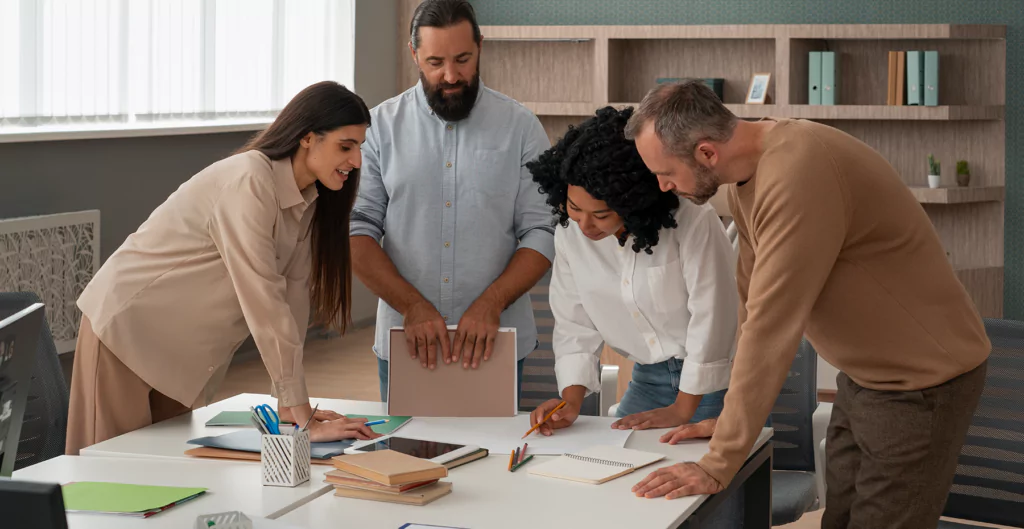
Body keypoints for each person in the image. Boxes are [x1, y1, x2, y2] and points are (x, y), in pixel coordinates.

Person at [624, 80, 990, 528]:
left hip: (920, 383)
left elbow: (773, 326)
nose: (663, 186)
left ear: (705, 153)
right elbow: (750, 301)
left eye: (666, 172)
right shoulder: (746, 174)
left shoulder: (798, 173)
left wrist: (719, 463)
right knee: (837, 520)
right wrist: (728, 419)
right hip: (868, 377)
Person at [66, 81, 382, 455]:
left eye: (359, 148)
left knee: (166, 477)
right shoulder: (249, 181)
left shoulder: (308, 199)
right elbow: (263, 298)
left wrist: (291, 407)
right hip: (128, 330)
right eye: (345, 147)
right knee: (108, 475)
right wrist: (301, 414)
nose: (356, 161)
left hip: (179, 354)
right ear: (308, 138)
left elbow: (291, 300)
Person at [350, 0, 554, 402]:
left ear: (480, 46)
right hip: (406, 342)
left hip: (498, 339)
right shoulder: (378, 129)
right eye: (435, 62)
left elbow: (541, 231)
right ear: (414, 55)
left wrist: (491, 303)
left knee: (495, 461)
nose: (450, 75)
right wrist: (411, 307)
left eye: (463, 59)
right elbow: (357, 232)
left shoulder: (522, 128)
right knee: (408, 457)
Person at [524, 106, 738, 438]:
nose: (584, 225)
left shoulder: (692, 220)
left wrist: (683, 409)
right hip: (647, 381)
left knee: (701, 485)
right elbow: (574, 322)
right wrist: (570, 401)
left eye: (601, 214)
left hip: (717, 386)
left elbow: (714, 319)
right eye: (574, 207)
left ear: (634, 201)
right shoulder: (570, 234)